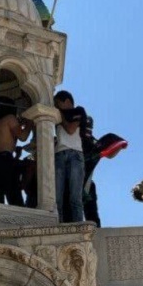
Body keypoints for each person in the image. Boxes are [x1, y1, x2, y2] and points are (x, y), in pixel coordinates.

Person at [0, 96, 33, 204]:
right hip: (5, 161)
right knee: (15, 198)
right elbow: (23, 137)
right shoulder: (10, 118)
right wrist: (29, 122)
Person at [54, 90, 87, 222]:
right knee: (57, 198)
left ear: (67, 102)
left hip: (75, 155)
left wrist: (59, 114)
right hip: (58, 155)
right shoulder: (59, 117)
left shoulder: (78, 111)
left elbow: (71, 129)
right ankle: (58, 225)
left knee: (75, 198)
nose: (56, 107)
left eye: (58, 104)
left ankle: (79, 227)